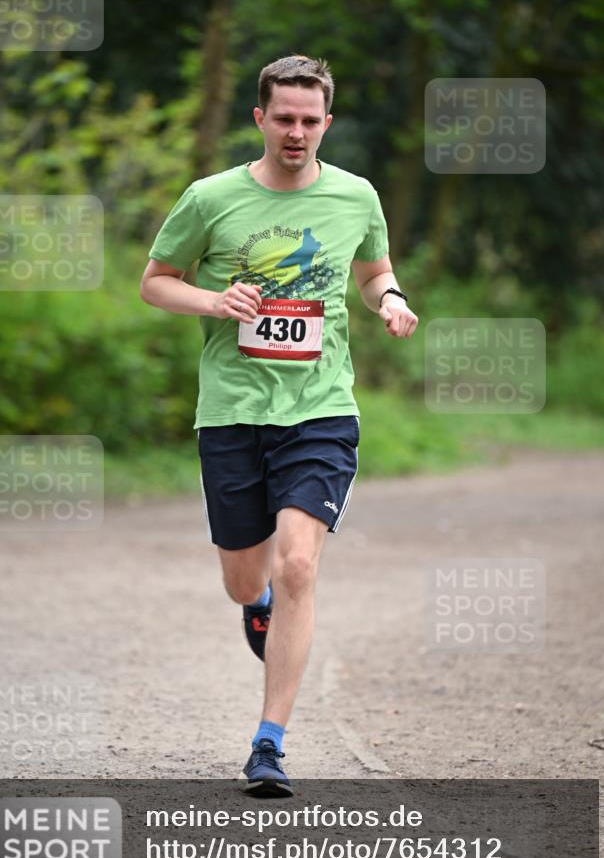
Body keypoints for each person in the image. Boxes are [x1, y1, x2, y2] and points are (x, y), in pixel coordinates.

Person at [140, 54, 418, 797]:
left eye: (310, 119)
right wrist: (213, 302)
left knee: (298, 564)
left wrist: (391, 301)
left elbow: (373, 272)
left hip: (320, 409)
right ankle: (256, 605)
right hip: (232, 411)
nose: (297, 131)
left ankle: (269, 744)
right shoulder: (210, 198)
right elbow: (155, 283)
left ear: (327, 122)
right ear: (260, 118)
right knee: (245, 580)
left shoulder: (355, 195)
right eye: (284, 118)